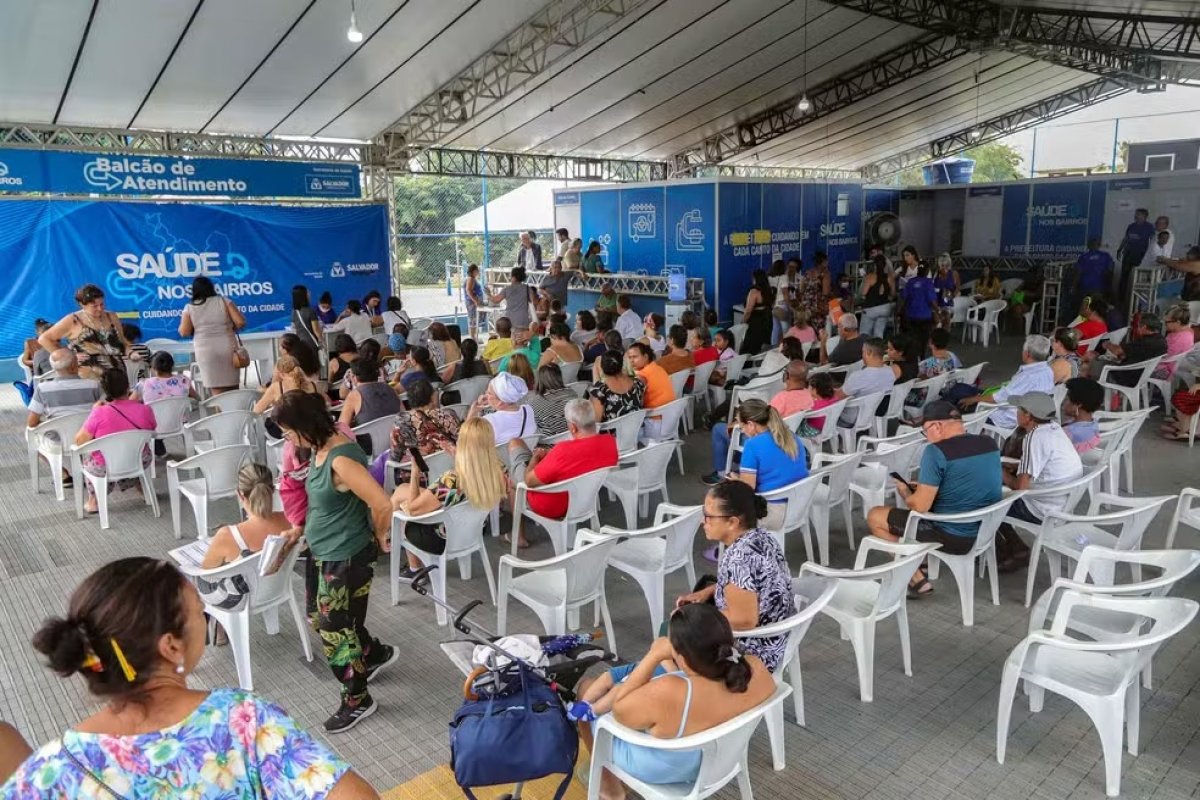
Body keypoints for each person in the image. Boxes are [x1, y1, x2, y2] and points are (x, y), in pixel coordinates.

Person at [3, 557, 378, 798]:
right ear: (171, 646)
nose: (205, 617)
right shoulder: (240, 720)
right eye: (199, 612)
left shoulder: (47, 771)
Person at [271, 391, 397, 731]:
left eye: (289, 432)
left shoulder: (340, 459)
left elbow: (382, 504)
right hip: (325, 551)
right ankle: (371, 654)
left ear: (305, 425)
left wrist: (379, 535)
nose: (288, 439)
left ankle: (357, 699)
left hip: (345, 556)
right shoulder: (319, 449)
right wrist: (301, 529)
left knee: (333, 629)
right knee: (324, 617)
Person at [573, 603, 775, 799]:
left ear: (682, 658)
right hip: (723, 759)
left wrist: (653, 656)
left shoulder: (671, 691)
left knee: (587, 690)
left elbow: (619, 710)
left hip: (667, 769)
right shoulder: (756, 669)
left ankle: (609, 788)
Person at [865, 401, 1002, 594]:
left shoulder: (936, 452)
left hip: (953, 535)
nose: (926, 437)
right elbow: (967, 480)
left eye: (925, 430)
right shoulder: (988, 443)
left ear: (937, 426)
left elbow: (920, 507)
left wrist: (906, 493)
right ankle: (920, 560)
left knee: (875, 516)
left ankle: (915, 577)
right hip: (986, 530)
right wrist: (924, 488)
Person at [674, 480, 796, 667]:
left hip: (750, 654)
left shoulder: (739, 559)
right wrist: (708, 592)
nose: (702, 521)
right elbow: (751, 585)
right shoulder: (762, 537)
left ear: (732, 522)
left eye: (708, 516)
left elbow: (745, 620)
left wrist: (696, 617)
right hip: (776, 638)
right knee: (664, 650)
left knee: (669, 643)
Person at [391, 417, 508, 575]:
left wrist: (414, 472)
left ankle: (414, 568)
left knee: (401, 505)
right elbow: (474, 471)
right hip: (474, 530)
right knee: (403, 491)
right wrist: (456, 455)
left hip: (442, 538)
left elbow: (413, 510)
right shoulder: (499, 469)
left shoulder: (451, 481)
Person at [508, 399, 619, 547]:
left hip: (551, 505)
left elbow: (529, 481)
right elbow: (582, 457)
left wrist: (535, 458)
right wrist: (550, 455)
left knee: (513, 473)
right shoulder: (610, 443)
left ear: (573, 427)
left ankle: (518, 536)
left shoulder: (562, 451)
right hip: (584, 500)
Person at [197, 463, 294, 609]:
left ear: (240, 494)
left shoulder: (228, 535)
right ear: (272, 490)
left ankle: (217, 629)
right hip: (275, 588)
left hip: (239, 598)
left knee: (191, 578)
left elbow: (205, 571)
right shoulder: (289, 521)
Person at [704, 361, 812, 485]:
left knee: (718, 428)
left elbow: (761, 419)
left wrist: (735, 424)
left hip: (768, 439)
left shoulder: (782, 398)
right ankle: (739, 464)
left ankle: (721, 473)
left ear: (786, 376)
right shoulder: (808, 395)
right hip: (787, 438)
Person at [71, 369, 156, 514]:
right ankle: (142, 488)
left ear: (105, 390)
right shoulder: (145, 409)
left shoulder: (99, 412)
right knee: (136, 447)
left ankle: (94, 501)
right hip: (139, 460)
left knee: (87, 454)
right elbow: (152, 429)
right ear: (127, 386)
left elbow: (79, 441)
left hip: (105, 466)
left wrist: (93, 412)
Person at [1000, 391, 1083, 531]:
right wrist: (1014, 465)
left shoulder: (1033, 437)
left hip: (1040, 511)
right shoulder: (1055, 429)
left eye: (1019, 409)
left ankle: (1013, 547)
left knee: (987, 500)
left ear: (1028, 416)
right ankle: (1013, 547)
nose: (1016, 412)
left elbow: (1021, 488)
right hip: (1061, 504)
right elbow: (1046, 465)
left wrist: (999, 470)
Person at [39, 284, 136, 380]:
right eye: (94, 306)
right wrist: (69, 357)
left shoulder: (111, 316)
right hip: (89, 375)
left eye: (102, 304)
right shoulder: (73, 320)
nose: (100, 309)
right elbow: (44, 339)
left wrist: (131, 353)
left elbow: (122, 342)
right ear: (82, 305)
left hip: (118, 373)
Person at [959, 335, 1055, 430]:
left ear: (1027, 354)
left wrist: (973, 399)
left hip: (1004, 417)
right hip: (1026, 412)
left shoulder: (1028, 377)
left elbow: (998, 398)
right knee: (963, 389)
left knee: (959, 399)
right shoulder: (1047, 370)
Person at [177, 276, 246, 395]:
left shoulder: (190, 307)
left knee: (216, 389)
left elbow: (184, 332)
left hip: (205, 351)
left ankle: (220, 412)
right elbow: (240, 322)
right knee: (233, 388)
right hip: (227, 346)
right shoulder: (224, 301)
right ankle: (235, 411)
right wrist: (229, 328)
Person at [26, 349, 102, 430]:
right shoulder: (94, 385)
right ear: (74, 365)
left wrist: (50, 426)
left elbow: (32, 423)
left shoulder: (43, 389)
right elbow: (103, 410)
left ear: (53, 367)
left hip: (59, 439)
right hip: (90, 438)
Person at [1087, 313, 1167, 385]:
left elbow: (1118, 350)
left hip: (1128, 376)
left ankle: (1092, 391)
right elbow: (1137, 354)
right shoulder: (1161, 340)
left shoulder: (1145, 342)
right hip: (1141, 375)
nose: (1137, 329)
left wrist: (1107, 344)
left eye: (1138, 326)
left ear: (1144, 327)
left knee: (1093, 363)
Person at [834, 338, 895, 427]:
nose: (862, 355)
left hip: (851, 418)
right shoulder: (890, 372)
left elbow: (838, 396)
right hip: (874, 413)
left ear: (868, 353)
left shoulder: (857, 376)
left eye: (863, 352)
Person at [469, 372, 539, 444]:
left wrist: (472, 412)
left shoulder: (489, 421)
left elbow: (465, 439)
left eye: (489, 393)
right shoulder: (528, 409)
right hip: (526, 453)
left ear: (501, 402)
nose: (485, 395)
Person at [627, 342, 675, 441]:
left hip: (655, 420)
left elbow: (637, 403)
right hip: (671, 418)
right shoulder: (657, 368)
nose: (631, 361)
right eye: (629, 357)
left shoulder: (642, 375)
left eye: (635, 357)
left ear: (645, 357)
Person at [339, 358, 401, 433]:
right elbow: (404, 414)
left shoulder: (354, 395)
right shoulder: (391, 389)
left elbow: (342, 428)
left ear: (354, 377)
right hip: (397, 438)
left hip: (369, 443)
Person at [588, 349, 645, 422]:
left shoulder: (599, 391)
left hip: (612, 432)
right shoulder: (638, 383)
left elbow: (597, 421)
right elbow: (641, 405)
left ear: (602, 368)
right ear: (621, 366)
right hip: (637, 428)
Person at [254, 354, 318, 414]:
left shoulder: (276, 387)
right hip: (309, 424)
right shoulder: (313, 385)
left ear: (281, 374)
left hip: (287, 425)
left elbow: (256, 410)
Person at [527, 363, 578, 437]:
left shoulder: (533, 403)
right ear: (559, 376)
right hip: (574, 435)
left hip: (550, 443)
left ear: (539, 379)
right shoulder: (572, 393)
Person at [1116, 208, 1155, 301]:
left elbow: (1153, 241)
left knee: (1139, 278)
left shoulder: (1149, 227)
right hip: (1128, 255)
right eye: (1136, 214)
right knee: (1124, 277)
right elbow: (1126, 238)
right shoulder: (1131, 226)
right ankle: (1121, 299)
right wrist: (1120, 249)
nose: (1136, 216)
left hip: (1141, 256)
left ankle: (1137, 300)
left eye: (1138, 214)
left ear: (1144, 216)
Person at [490, 267, 535, 337]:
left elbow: (495, 300)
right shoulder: (527, 288)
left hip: (510, 322)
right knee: (522, 341)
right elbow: (534, 301)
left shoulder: (507, 289)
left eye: (510, 276)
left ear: (514, 277)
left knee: (512, 343)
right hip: (523, 320)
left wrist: (489, 295)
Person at [901, 264, 937, 352]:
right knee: (923, 338)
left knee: (912, 336)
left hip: (911, 314)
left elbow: (904, 296)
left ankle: (912, 355)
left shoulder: (910, 281)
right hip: (924, 315)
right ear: (927, 271)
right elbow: (931, 299)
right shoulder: (928, 282)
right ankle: (921, 356)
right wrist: (937, 309)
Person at [1062, 377, 1103, 453]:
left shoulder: (1067, 433)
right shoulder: (1093, 424)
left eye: (1066, 399)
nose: (1063, 403)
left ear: (1078, 404)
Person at [859, 254, 895, 338]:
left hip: (870, 308)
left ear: (874, 265)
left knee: (864, 334)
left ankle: (866, 350)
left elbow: (863, 293)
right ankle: (878, 349)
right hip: (885, 307)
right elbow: (893, 294)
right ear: (885, 265)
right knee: (879, 335)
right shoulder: (890, 277)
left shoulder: (870, 277)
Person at [740, 269, 774, 355]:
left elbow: (748, 311)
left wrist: (742, 322)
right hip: (768, 321)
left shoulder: (754, 292)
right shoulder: (770, 290)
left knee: (749, 348)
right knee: (763, 346)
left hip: (756, 322)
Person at [1156, 304, 1194, 379]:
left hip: (1167, 371)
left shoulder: (1179, 339)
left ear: (1178, 322)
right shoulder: (1187, 332)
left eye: (1167, 322)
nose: (1164, 324)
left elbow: (1166, 357)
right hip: (1173, 367)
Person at [796, 251, 832, 331]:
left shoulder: (807, 273)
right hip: (817, 307)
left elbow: (801, 290)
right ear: (823, 262)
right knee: (818, 332)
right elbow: (825, 292)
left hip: (806, 305)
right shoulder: (825, 274)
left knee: (806, 330)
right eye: (826, 261)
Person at [1073, 238, 1114, 302]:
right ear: (1098, 246)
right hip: (1099, 287)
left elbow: (1078, 273)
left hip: (1085, 287)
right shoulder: (1105, 256)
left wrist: (1074, 286)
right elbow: (1110, 272)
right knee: (1098, 308)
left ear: (1088, 246)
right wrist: (1109, 288)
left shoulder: (1083, 257)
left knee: (1085, 308)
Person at [290, 284, 324, 354]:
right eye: (307, 292)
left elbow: (295, 329)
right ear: (303, 295)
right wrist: (322, 342)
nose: (309, 294)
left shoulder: (294, 312)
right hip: (311, 342)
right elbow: (316, 331)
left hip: (300, 343)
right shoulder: (310, 311)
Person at [768, 258, 792, 346]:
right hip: (782, 306)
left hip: (774, 306)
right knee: (786, 330)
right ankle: (788, 348)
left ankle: (773, 348)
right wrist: (789, 307)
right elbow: (785, 293)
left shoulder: (769, 278)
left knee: (775, 329)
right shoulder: (784, 277)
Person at [932, 253, 959, 328]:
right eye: (942, 266)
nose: (944, 268)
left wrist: (951, 295)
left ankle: (945, 337)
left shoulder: (954, 274)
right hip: (936, 303)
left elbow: (957, 289)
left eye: (946, 265)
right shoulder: (935, 274)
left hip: (948, 303)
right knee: (936, 319)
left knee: (946, 317)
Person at [463, 263, 485, 339]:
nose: (478, 272)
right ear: (473, 271)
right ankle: (473, 338)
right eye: (477, 270)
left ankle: (474, 337)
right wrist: (475, 301)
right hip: (472, 304)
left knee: (474, 320)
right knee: (473, 320)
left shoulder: (472, 279)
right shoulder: (471, 279)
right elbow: (468, 291)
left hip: (473, 303)